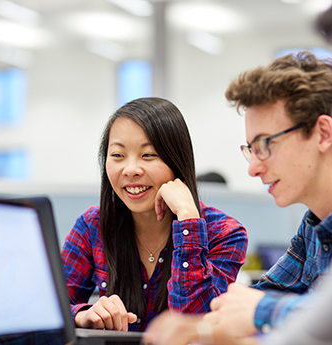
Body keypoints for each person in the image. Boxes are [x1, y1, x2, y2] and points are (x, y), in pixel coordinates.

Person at [143, 50, 332, 344]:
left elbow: (312, 315)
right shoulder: (313, 227)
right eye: (251, 151)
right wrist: (206, 327)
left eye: (265, 144)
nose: (254, 169)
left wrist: (258, 311)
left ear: (322, 133)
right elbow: (253, 301)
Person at [60, 97, 248, 332]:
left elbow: (194, 325)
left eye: (148, 155)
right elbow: (49, 309)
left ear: (176, 160)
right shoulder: (93, 226)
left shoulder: (224, 233)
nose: (130, 170)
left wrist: (188, 220)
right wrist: (83, 315)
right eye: (118, 155)